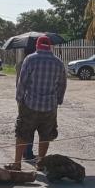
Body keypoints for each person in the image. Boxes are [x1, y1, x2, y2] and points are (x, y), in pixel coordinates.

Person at [8, 36, 66, 171]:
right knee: (45, 136)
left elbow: (22, 82)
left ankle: (17, 164)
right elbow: (62, 84)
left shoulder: (30, 59)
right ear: (50, 46)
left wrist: (19, 99)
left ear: (37, 46)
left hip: (30, 105)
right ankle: (41, 163)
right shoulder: (58, 62)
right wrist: (58, 100)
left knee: (22, 134)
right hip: (50, 107)